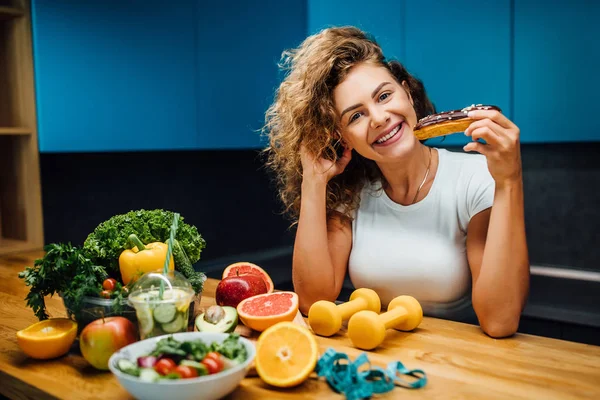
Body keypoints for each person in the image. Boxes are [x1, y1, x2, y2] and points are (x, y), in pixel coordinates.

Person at [262, 26, 529, 338]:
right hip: (376, 356)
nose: (378, 118)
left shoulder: (475, 177)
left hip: (460, 365)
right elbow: (313, 302)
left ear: (407, 93)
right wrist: (314, 181)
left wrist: (509, 181)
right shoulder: (352, 193)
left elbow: (500, 322)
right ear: (341, 136)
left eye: (384, 96)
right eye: (355, 117)